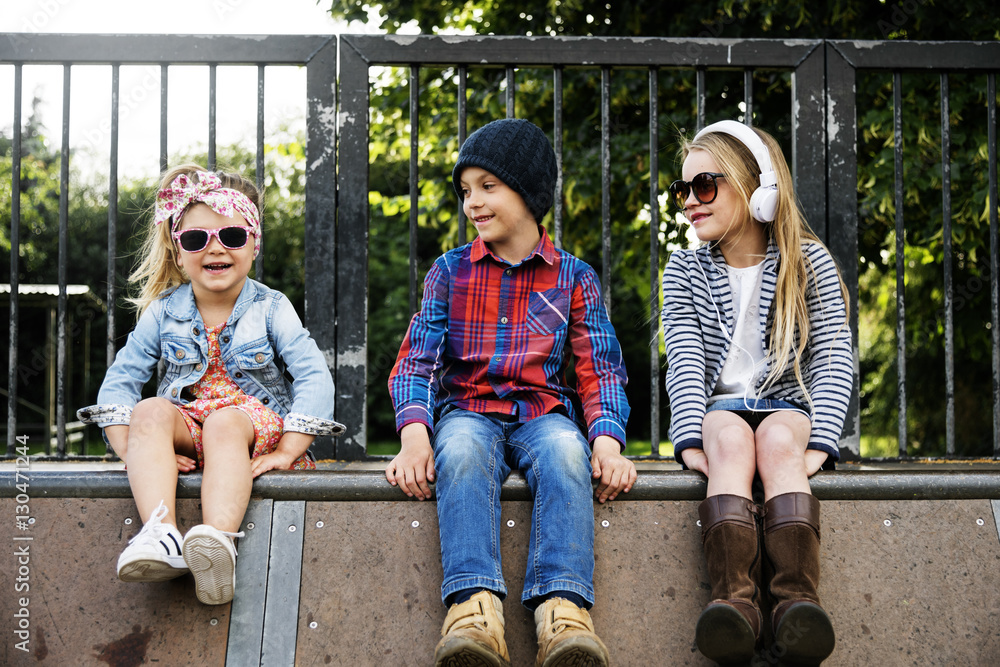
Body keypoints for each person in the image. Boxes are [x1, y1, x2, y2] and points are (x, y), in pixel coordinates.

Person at [385, 118, 635, 667]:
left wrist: (608, 441)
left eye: (487, 186)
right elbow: (417, 361)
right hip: (469, 409)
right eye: (466, 190)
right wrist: (413, 435)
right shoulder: (448, 272)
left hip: (543, 412)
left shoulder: (574, 277)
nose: (473, 201)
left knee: (567, 453)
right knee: (466, 452)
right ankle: (475, 614)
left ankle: (563, 612)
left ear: (528, 192)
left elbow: (601, 369)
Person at [77, 165, 343, 605]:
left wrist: (290, 448)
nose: (215, 248)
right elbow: (123, 378)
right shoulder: (164, 311)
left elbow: (313, 373)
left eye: (232, 237)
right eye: (197, 239)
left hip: (249, 424)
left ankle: (217, 543)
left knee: (223, 423)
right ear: (179, 252)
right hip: (192, 425)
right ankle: (160, 533)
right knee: (148, 411)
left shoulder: (272, 307)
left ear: (253, 244)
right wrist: (132, 448)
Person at [661, 120, 852, 665]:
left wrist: (823, 441)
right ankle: (734, 605)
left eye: (705, 186)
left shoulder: (805, 261)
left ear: (758, 187)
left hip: (786, 404)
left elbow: (833, 355)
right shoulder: (683, 268)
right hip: (721, 407)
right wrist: (688, 434)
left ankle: (796, 604)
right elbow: (686, 359)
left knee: (778, 444)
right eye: (682, 190)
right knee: (728, 441)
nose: (690, 202)